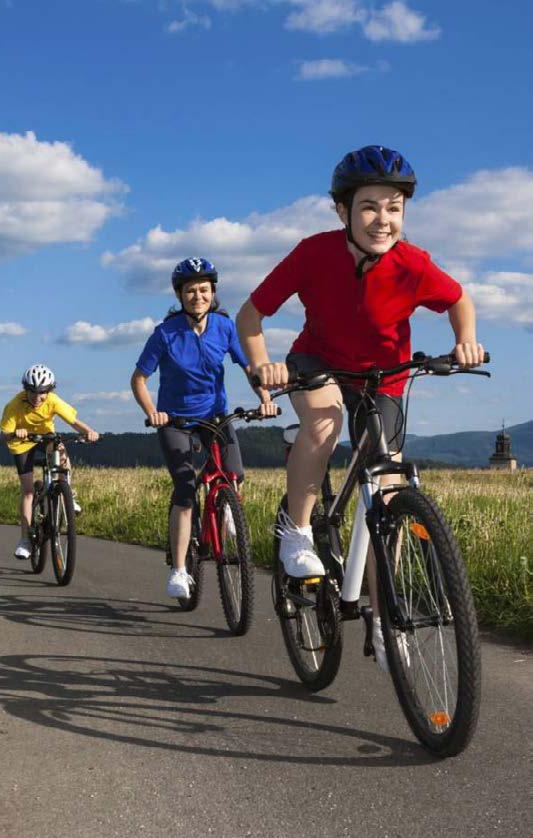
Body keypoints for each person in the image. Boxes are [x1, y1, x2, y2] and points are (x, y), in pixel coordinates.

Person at [236, 145, 485, 670]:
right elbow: (251, 314)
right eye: (370, 206)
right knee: (324, 424)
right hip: (317, 361)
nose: (383, 219)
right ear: (342, 211)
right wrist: (263, 366)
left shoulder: (412, 263)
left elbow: (459, 299)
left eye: (394, 208)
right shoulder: (312, 252)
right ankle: (298, 532)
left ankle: (381, 610)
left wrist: (466, 339)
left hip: (384, 377)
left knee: (388, 489)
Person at [131, 257, 277, 600]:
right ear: (180, 295)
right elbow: (139, 379)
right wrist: (153, 412)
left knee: (234, 473)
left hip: (215, 418)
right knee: (185, 488)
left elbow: (249, 368)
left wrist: (265, 397)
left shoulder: (225, 328)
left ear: (213, 293)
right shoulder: (165, 333)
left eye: (204, 290)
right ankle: (179, 570)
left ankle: (226, 511)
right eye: (190, 291)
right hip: (176, 421)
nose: (198, 296)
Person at [0, 363, 99, 560]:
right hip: (22, 442)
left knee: (61, 451)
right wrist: (14, 433)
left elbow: (73, 421)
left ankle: (68, 495)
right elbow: (4, 434)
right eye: (33, 392)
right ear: (25, 389)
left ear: (49, 390)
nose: (38, 397)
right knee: (28, 491)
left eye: (42, 392)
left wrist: (89, 432)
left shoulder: (53, 401)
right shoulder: (14, 405)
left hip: (45, 436)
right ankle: (25, 540)